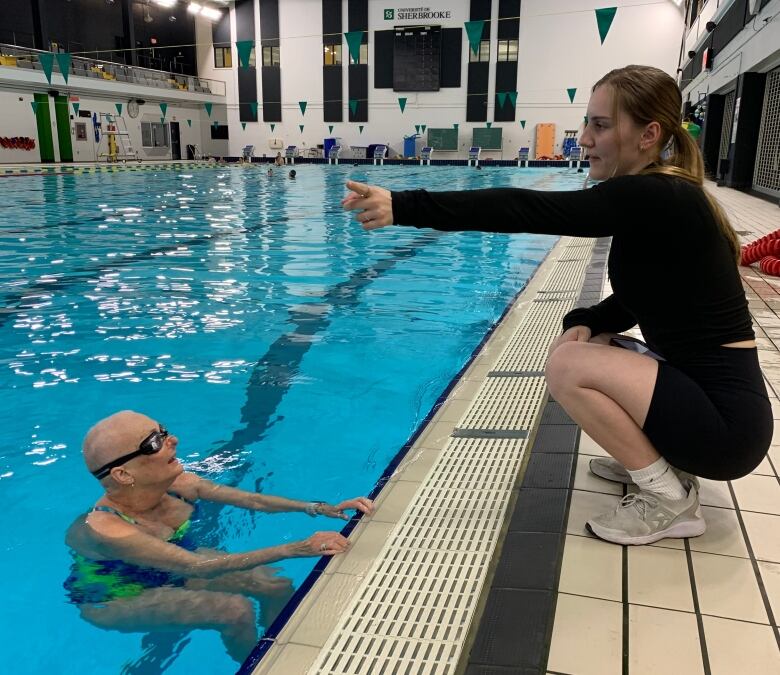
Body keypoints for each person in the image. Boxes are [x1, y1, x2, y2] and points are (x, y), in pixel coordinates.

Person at [341, 64, 772, 547]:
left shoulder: (661, 195)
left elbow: (530, 209)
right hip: (710, 404)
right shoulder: (662, 198)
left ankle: (668, 500)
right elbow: (639, 298)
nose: (583, 139)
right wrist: (586, 321)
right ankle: (656, 463)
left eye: (601, 126)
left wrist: (406, 205)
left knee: (568, 365)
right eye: (587, 123)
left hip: (726, 428)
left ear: (649, 134)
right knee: (583, 343)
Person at [65, 410, 373, 662]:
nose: (173, 440)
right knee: (233, 610)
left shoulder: (181, 484)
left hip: (169, 566)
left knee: (275, 584)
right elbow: (197, 568)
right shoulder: (107, 528)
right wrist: (299, 547)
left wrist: (318, 507)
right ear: (122, 474)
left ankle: (279, 650)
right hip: (118, 594)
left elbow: (253, 501)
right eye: (153, 443)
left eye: (164, 430)